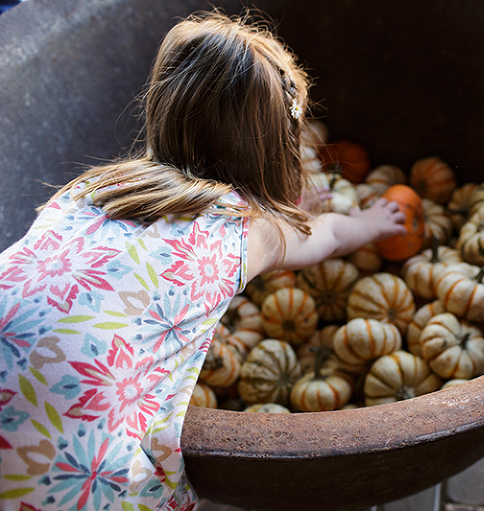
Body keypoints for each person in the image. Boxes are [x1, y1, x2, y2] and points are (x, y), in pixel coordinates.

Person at [0, 11, 405, 511]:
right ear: (274, 150)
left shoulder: (94, 187)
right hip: (69, 475)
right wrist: (369, 224)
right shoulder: (242, 228)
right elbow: (326, 234)